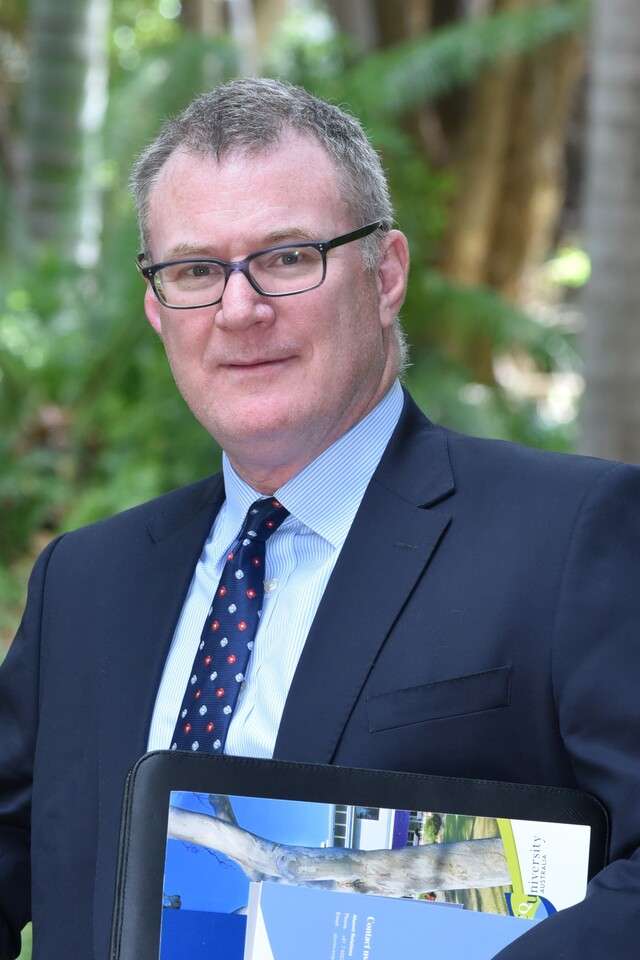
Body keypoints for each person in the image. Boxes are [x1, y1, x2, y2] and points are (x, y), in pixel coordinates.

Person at [0, 77, 639, 960]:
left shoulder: (574, 535)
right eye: (194, 270)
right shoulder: (85, 581)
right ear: (157, 309)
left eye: (288, 257)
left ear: (386, 274)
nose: (239, 308)